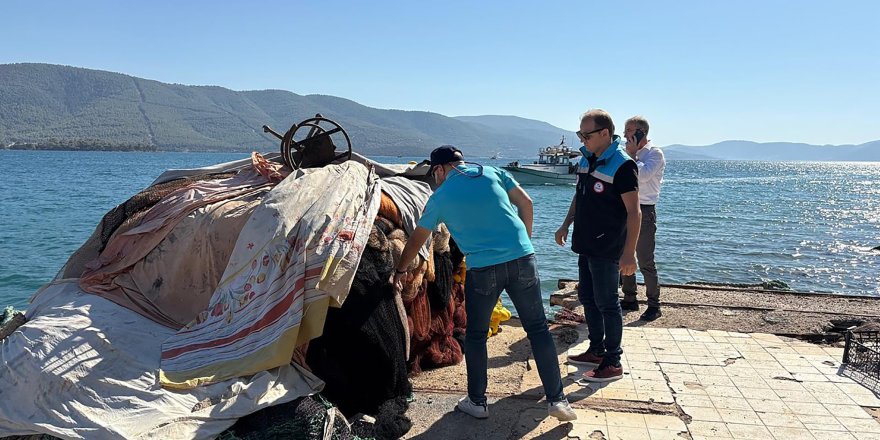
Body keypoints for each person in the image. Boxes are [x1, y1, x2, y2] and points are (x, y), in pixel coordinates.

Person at [392, 145, 577, 422]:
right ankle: (558, 400)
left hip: (483, 269)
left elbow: (419, 238)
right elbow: (526, 203)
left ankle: (478, 401)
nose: (436, 178)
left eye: (435, 173)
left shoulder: (440, 196)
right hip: (523, 259)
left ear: (440, 169)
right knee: (538, 329)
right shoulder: (493, 172)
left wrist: (400, 269)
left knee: (476, 336)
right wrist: (524, 243)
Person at [555, 109, 640, 382]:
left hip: (608, 246)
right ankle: (596, 349)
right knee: (588, 298)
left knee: (607, 303)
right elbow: (579, 197)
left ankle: (612, 362)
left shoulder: (622, 165)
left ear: (605, 133)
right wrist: (566, 223)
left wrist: (629, 254)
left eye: (586, 134)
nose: (582, 139)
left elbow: (634, 213)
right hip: (586, 242)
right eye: (580, 134)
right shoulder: (585, 160)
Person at [620, 116, 666, 321]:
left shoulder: (655, 154)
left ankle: (654, 304)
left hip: (645, 210)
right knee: (624, 254)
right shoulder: (627, 152)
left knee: (645, 258)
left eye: (629, 130)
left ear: (640, 132)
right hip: (625, 208)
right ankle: (629, 298)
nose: (625, 135)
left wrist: (630, 155)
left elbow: (643, 175)